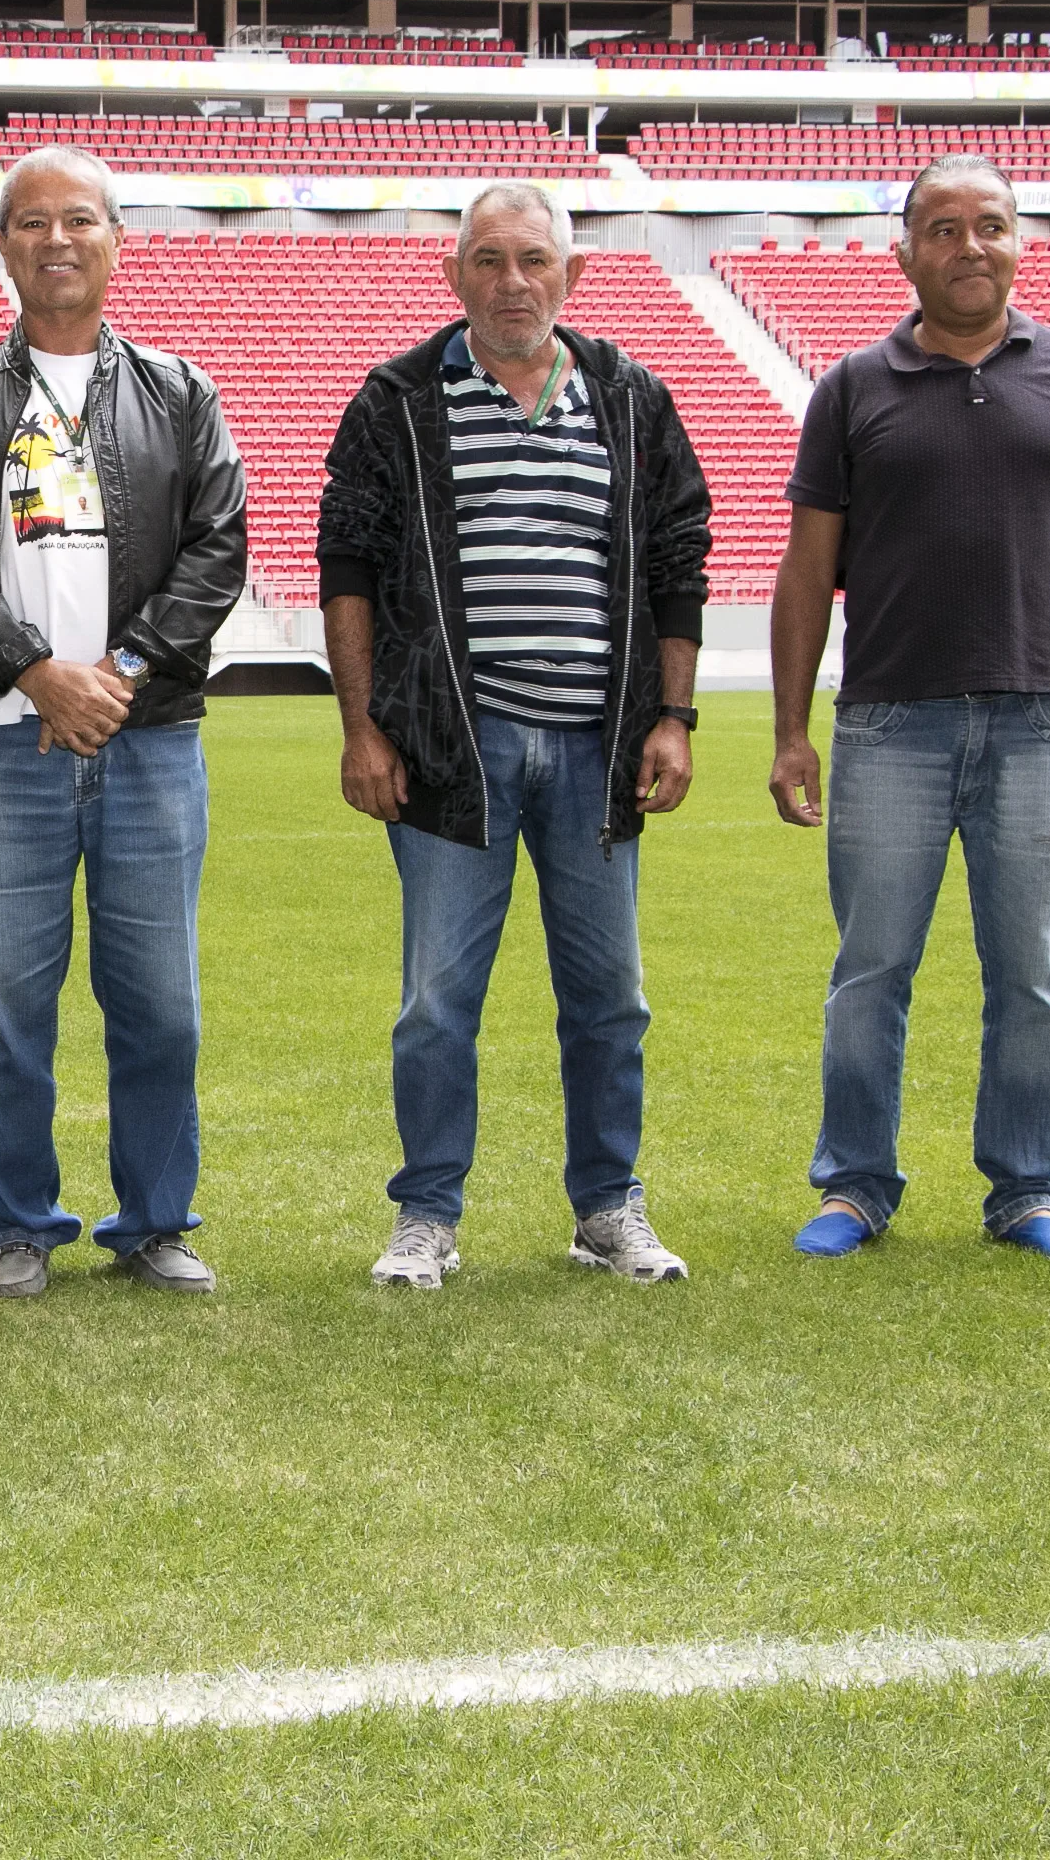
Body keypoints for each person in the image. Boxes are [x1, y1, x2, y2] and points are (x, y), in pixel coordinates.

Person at [316, 181, 714, 1292]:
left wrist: (673, 717)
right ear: (455, 276)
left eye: (533, 259)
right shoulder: (398, 398)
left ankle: (607, 1205)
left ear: (572, 275)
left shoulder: (631, 398)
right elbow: (344, 560)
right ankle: (427, 1214)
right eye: (486, 260)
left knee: (610, 996)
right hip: (453, 747)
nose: (511, 282)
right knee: (439, 999)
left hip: (598, 746)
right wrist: (362, 728)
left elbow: (679, 558)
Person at [769, 156, 1050, 1264]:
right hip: (891, 721)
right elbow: (807, 570)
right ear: (905, 251)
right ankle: (854, 1185)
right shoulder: (853, 386)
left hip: (1045, 716)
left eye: (989, 224)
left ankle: (1025, 1189)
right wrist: (792, 728)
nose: (969, 246)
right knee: (871, 969)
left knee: (1032, 973)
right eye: (942, 228)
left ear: (1018, 241)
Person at [0, 146, 247, 1301]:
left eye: (78, 220)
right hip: (6, 742)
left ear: (116, 239)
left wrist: (122, 672)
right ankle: (20, 1222)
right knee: (8, 1000)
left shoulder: (182, 393)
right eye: (31, 221)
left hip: (150, 739)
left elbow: (217, 549)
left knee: (160, 1002)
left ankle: (155, 1220)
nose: (56, 239)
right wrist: (41, 674)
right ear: (1, 244)